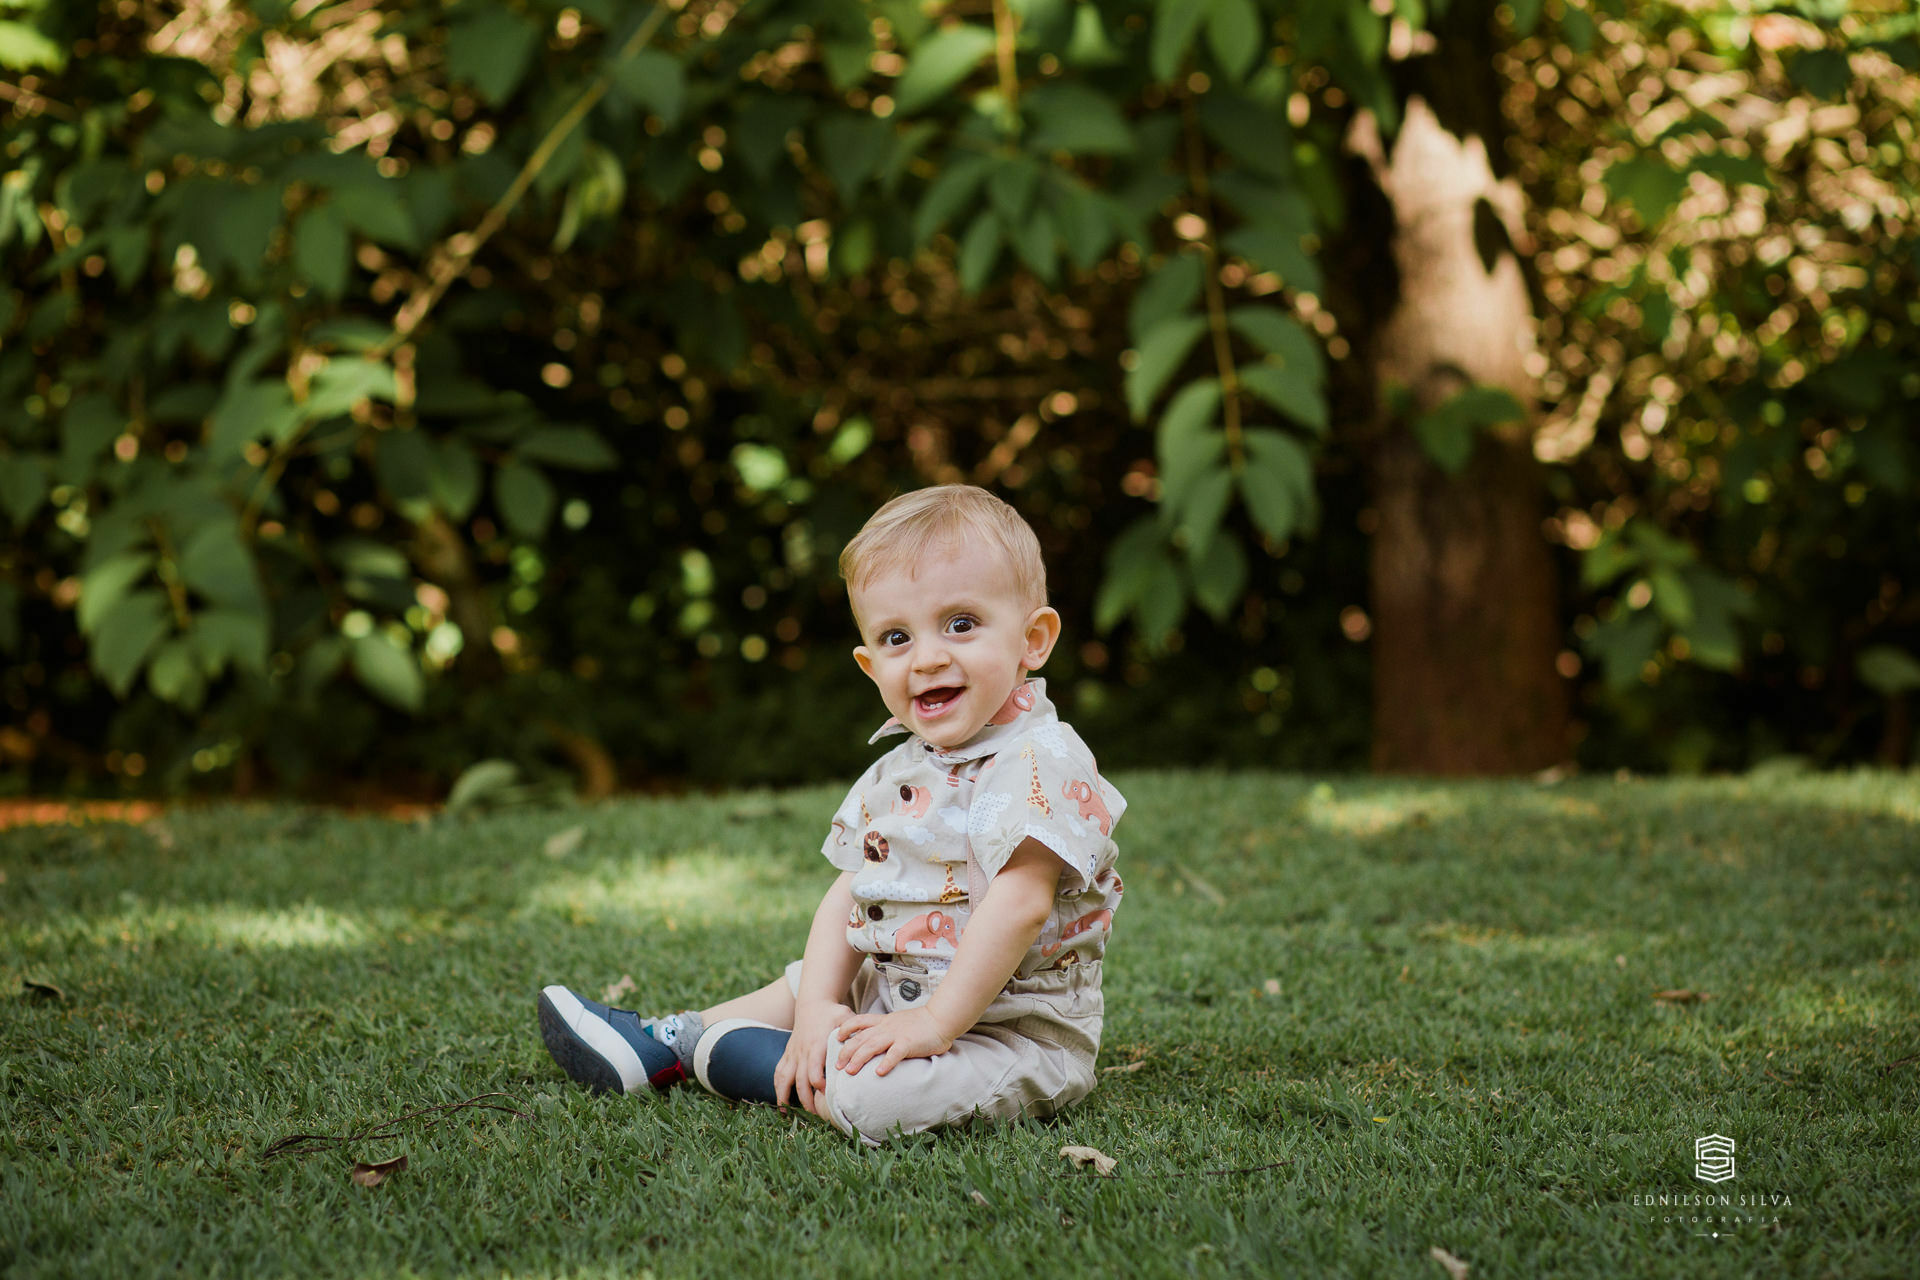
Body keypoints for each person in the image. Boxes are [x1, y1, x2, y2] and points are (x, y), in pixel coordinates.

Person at [537, 484, 1127, 1143]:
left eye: (961, 624)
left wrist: (933, 1027)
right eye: (897, 637)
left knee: (877, 1100)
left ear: (1034, 639)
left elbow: (1019, 904)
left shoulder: (1040, 760)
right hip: (893, 985)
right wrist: (818, 1008)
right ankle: (668, 1041)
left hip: (1006, 1032)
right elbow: (852, 892)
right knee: (800, 989)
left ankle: (752, 1062)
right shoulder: (902, 770)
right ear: (871, 666)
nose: (929, 656)